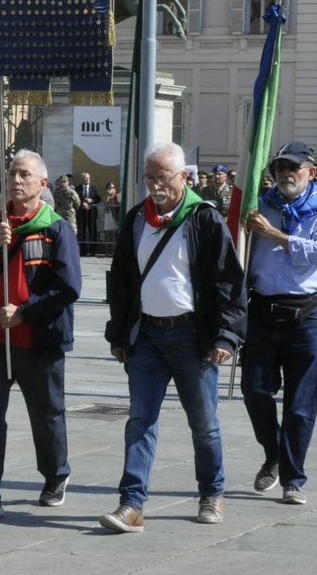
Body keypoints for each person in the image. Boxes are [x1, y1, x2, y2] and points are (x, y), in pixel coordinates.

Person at [100, 141, 245, 533]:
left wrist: (227, 337)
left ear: (183, 177)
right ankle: (132, 504)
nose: (155, 186)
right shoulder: (136, 220)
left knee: (204, 422)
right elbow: (123, 282)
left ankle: (212, 492)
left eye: (162, 178)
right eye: (149, 178)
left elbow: (229, 282)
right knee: (140, 420)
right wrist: (118, 334)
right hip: (146, 335)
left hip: (191, 337)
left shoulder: (203, 219)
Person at [0, 150, 81, 520]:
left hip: (39, 341)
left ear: (42, 184)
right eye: (13, 173)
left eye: (25, 175)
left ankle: (55, 475)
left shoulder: (55, 227)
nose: (16, 180)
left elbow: (68, 287)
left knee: (46, 415)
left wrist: (24, 312)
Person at [239, 141, 317, 506]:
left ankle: (293, 478)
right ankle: (274, 452)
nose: (285, 175)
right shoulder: (261, 206)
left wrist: (275, 235)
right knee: (255, 390)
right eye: (279, 168)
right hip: (263, 311)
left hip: (307, 314)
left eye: (292, 168)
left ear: (311, 172)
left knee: (300, 403)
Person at [75, 172, 102, 247]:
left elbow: (99, 198)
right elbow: (75, 199)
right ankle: (83, 250)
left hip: (92, 213)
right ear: (82, 179)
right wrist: (82, 203)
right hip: (81, 214)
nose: (87, 179)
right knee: (82, 231)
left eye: (88, 178)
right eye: (85, 178)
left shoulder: (93, 187)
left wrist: (92, 201)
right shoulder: (77, 188)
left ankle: (93, 250)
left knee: (92, 231)